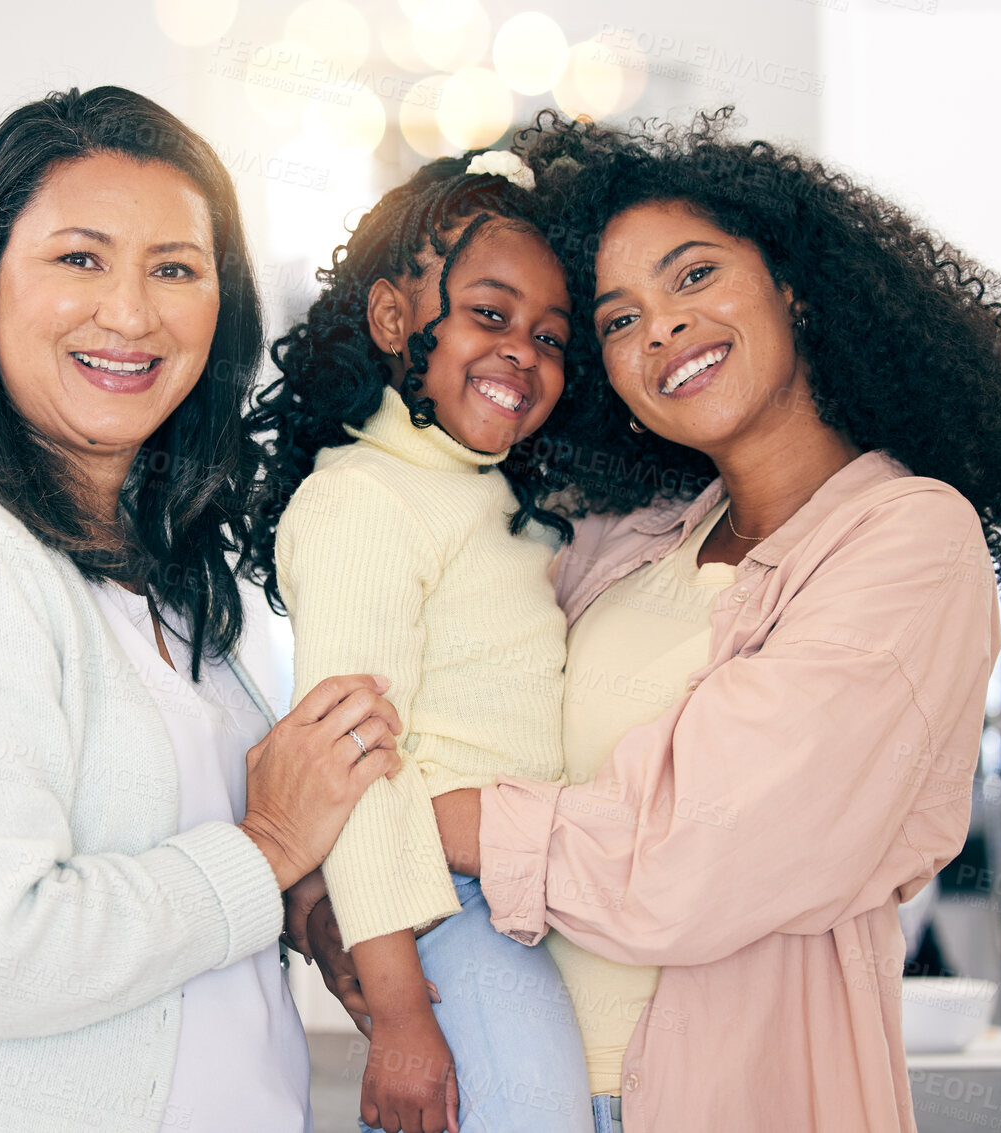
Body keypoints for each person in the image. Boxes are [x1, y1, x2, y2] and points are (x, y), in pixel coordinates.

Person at [306, 108, 1001, 1133]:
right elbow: (431, 691)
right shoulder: (623, 546)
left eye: (693, 277)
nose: (662, 328)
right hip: (501, 1077)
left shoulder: (906, 542)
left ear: (794, 288)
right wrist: (326, 889)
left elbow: (694, 854)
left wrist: (397, 824)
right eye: (617, 319)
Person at [0, 85, 404, 1133]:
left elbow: (183, 854)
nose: (130, 312)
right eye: (80, 258)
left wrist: (304, 904)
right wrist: (265, 847)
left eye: (175, 268)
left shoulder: (169, 574)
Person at [248, 151, 593, 1133]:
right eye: (489, 314)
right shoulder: (361, 497)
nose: (521, 350)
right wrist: (399, 1015)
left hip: (512, 888)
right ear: (396, 318)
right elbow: (355, 768)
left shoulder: (489, 494)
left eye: (550, 335)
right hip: (441, 908)